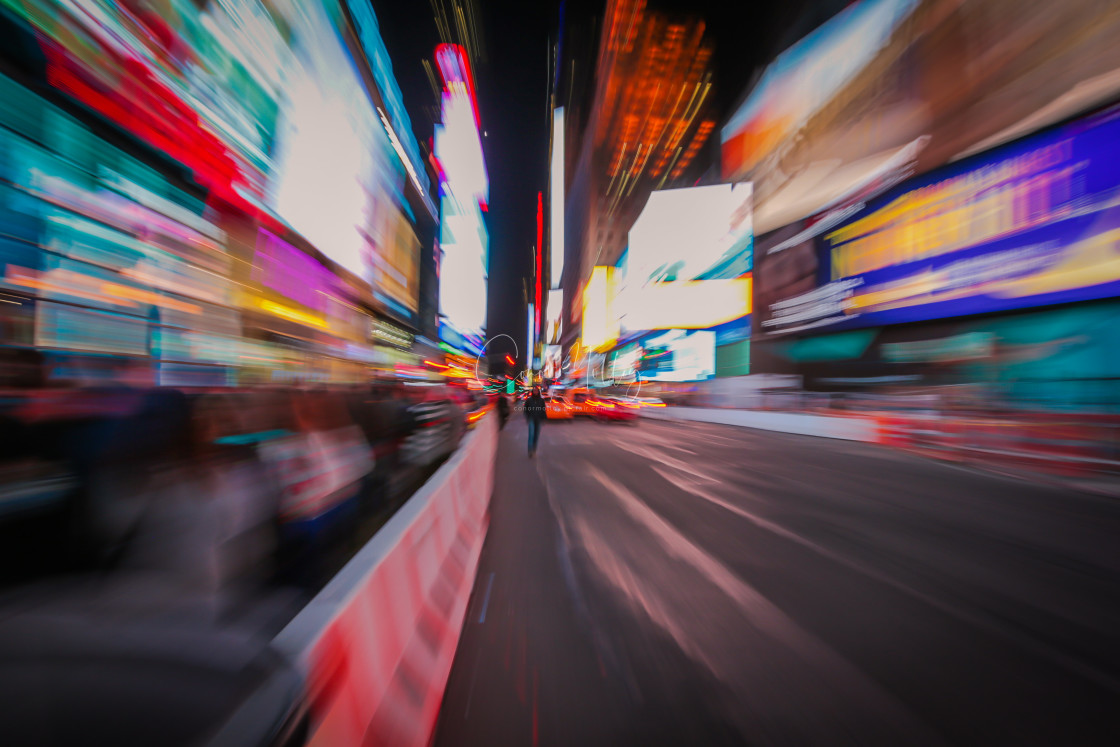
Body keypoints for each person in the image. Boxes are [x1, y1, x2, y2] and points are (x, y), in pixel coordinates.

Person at [524, 386, 546, 457]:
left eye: (536, 391)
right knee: (531, 434)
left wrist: (544, 418)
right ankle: (530, 450)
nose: (535, 392)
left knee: (536, 435)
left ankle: (534, 449)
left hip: (538, 419)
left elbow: (543, 410)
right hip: (531, 419)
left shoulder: (541, 400)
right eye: (534, 391)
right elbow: (525, 409)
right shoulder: (529, 400)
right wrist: (527, 416)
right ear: (532, 392)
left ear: (538, 392)